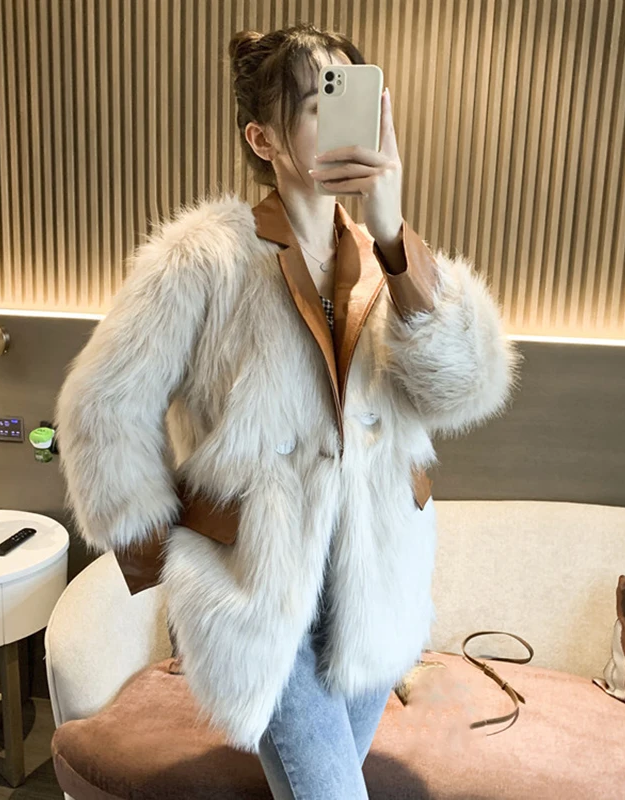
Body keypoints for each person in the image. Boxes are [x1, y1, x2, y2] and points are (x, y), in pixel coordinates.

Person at [54, 22, 520, 800]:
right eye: (315, 102)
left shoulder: (387, 260)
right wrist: (160, 549)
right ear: (262, 137)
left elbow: (465, 388)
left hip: (376, 585)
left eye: (351, 94)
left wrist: (392, 231)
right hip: (262, 592)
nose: (340, 119)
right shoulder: (203, 258)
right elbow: (101, 407)